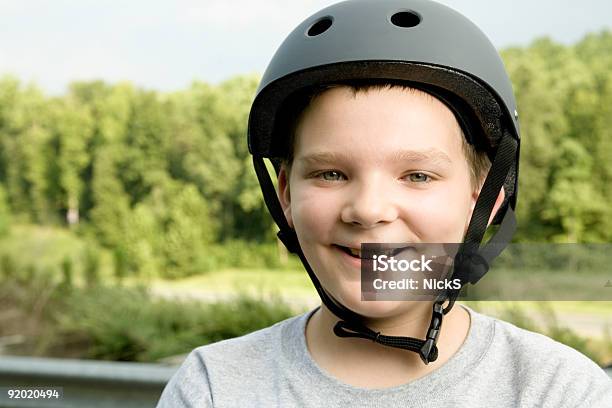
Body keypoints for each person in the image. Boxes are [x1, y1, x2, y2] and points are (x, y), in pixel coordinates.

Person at [157, 0, 612, 406]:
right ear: (287, 196)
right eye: (331, 173)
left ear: (486, 199)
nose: (370, 209)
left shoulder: (559, 391)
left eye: (417, 176)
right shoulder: (214, 388)